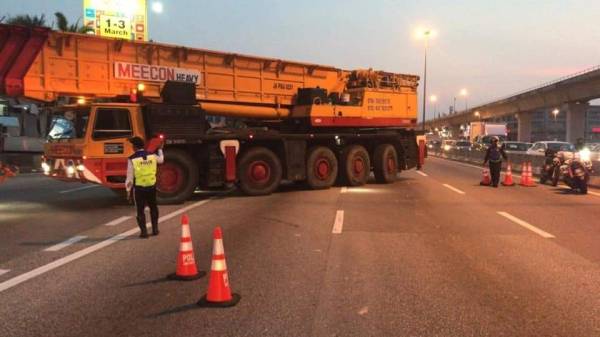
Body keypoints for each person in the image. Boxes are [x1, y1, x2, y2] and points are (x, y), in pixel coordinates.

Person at [126, 137, 164, 238]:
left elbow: (129, 177)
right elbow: (161, 160)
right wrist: (160, 149)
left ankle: (144, 233)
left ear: (134, 147)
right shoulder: (152, 155)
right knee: (153, 207)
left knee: (140, 210)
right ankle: (155, 229)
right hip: (151, 186)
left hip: (139, 188)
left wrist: (128, 191)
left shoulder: (132, 159)